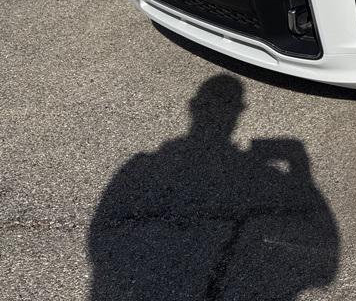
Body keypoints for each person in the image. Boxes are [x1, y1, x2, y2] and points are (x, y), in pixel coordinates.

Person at [87, 75, 339, 299]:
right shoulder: (147, 165)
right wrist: (301, 171)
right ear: (240, 111)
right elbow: (323, 267)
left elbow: (100, 236)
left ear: (193, 106)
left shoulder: (142, 165)